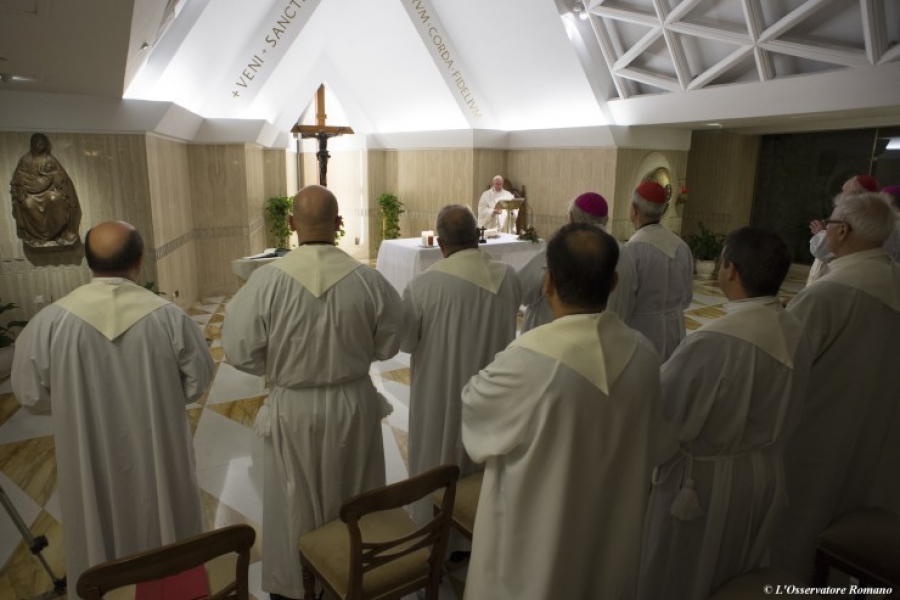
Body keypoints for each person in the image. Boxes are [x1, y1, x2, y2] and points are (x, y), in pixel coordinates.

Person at [462, 223, 662, 599]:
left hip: (537, 539)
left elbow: (474, 409)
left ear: (548, 281)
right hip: (610, 532)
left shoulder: (527, 361)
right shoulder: (645, 355)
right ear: (615, 282)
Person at [221, 184, 402, 600]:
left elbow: (239, 350)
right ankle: (353, 576)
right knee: (354, 495)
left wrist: (280, 367)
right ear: (339, 225)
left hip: (293, 406)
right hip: (353, 402)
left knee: (292, 499)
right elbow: (392, 341)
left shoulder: (266, 283)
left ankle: (294, 585)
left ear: (290, 223)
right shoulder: (368, 279)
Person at [11, 220, 213, 585]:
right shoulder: (168, 318)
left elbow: (30, 395)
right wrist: (160, 399)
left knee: (95, 532)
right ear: (139, 261)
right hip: (160, 451)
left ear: (88, 263)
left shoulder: (50, 323)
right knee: (168, 535)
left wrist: (77, 405)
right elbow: (198, 381)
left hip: (86, 455)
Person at [638, 227, 812, 600]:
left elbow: (664, 422)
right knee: (736, 569)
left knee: (680, 572)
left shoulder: (713, 341)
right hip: (763, 472)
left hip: (703, 484)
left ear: (730, 270)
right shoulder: (793, 327)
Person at [771, 192, 900, 579]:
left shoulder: (830, 293)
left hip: (817, 434)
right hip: (879, 432)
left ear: (841, 231)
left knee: (802, 525)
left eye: (828, 223)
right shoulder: (891, 279)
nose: (825, 229)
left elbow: (781, 366)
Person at [401, 204, 521, 525]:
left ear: (441, 245)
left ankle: (432, 528)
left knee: (439, 460)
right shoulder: (507, 277)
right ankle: (476, 534)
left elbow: (404, 341)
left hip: (440, 398)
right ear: (478, 237)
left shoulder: (424, 286)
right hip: (493, 398)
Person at [518, 191, 635, 332]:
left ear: (571, 218)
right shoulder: (626, 253)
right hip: (608, 340)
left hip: (553, 337)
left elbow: (521, 289)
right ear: (606, 219)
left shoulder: (563, 248)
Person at [623, 181, 693, 360]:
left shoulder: (632, 250)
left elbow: (623, 301)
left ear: (634, 210)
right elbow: (686, 299)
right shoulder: (681, 247)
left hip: (641, 331)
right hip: (674, 329)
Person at [9, 132, 82, 249]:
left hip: (48, 191)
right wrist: (23, 185)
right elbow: (18, 177)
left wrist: (54, 174)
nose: (40, 146)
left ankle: (58, 233)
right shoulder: (25, 160)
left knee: (55, 199)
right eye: (38, 143)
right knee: (28, 205)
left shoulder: (50, 159)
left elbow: (61, 175)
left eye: (42, 144)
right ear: (32, 144)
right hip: (31, 193)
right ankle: (38, 237)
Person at [806, 174, 879, 285]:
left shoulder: (852, 214)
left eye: (845, 191)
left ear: (855, 193)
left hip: (836, 276)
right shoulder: (870, 215)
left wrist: (820, 232)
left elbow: (822, 249)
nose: (841, 195)